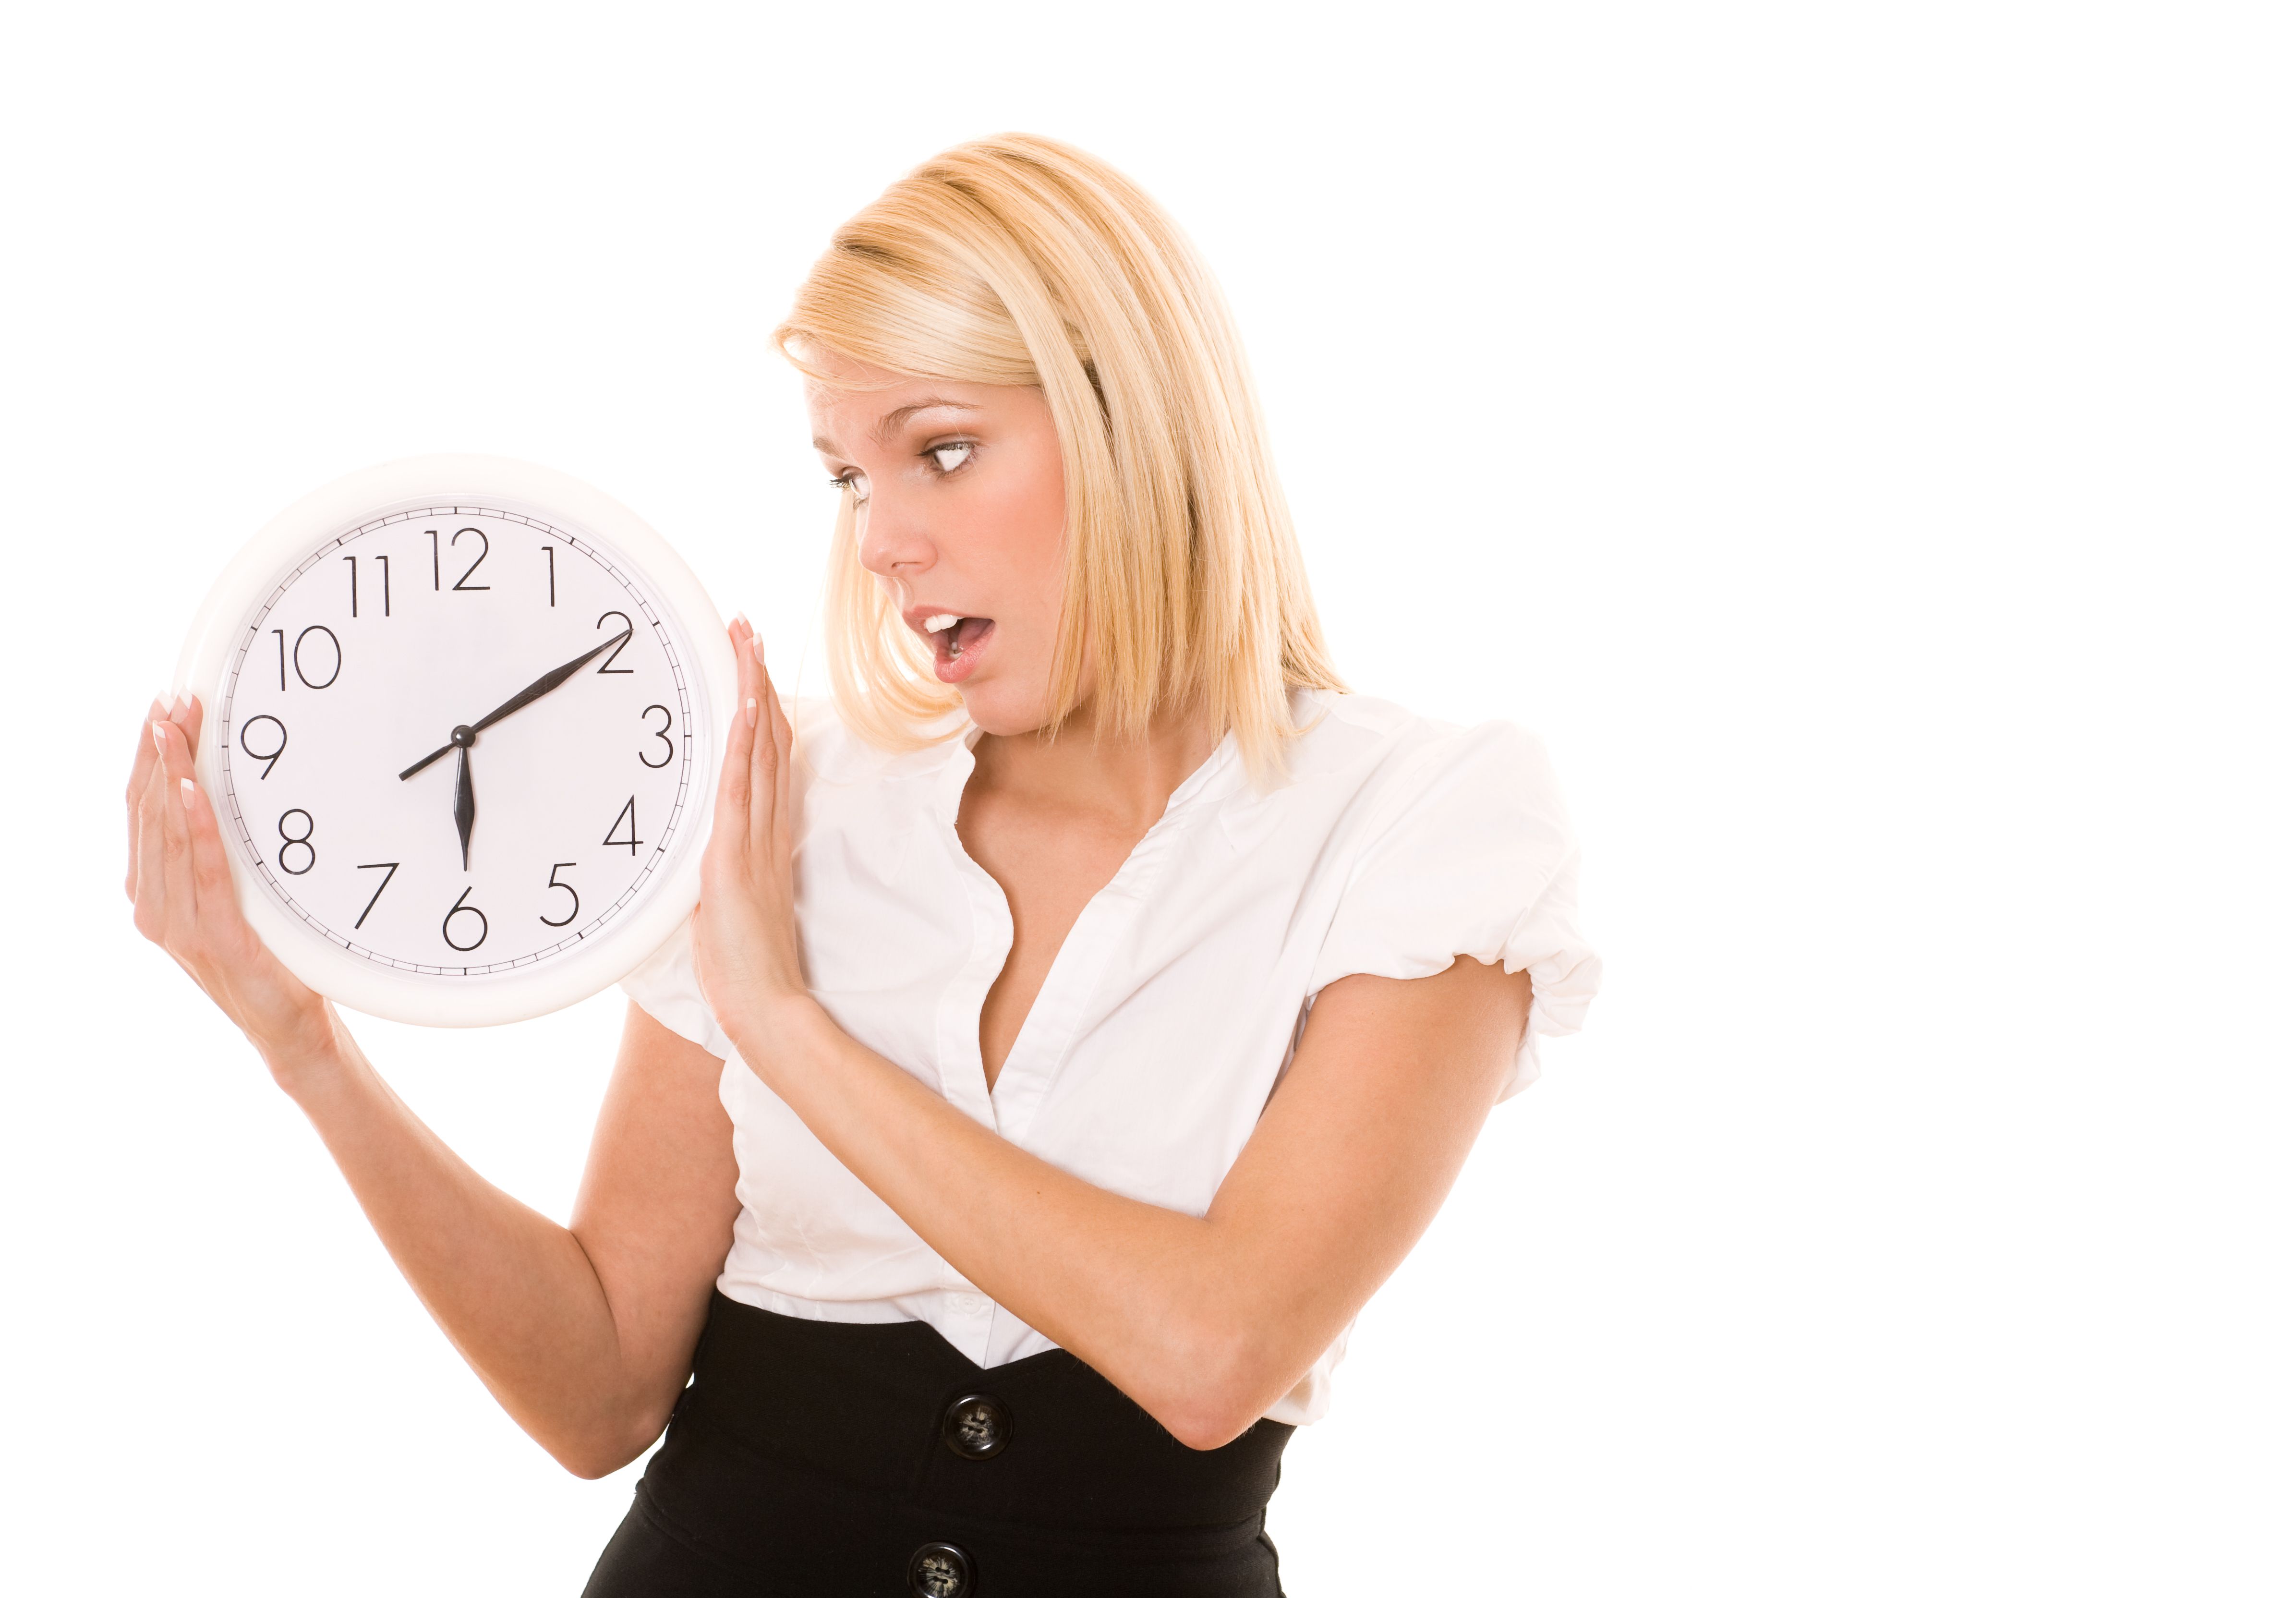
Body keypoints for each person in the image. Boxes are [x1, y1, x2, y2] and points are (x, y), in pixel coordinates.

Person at [123, 134, 1601, 1597]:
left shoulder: (1421, 824)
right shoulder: (800, 798)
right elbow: (597, 1399)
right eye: (847, 478)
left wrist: (787, 1026)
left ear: (1133, 425)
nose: (885, 540)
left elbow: (1214, 1357)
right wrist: (303, 1043)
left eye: (943, 450)